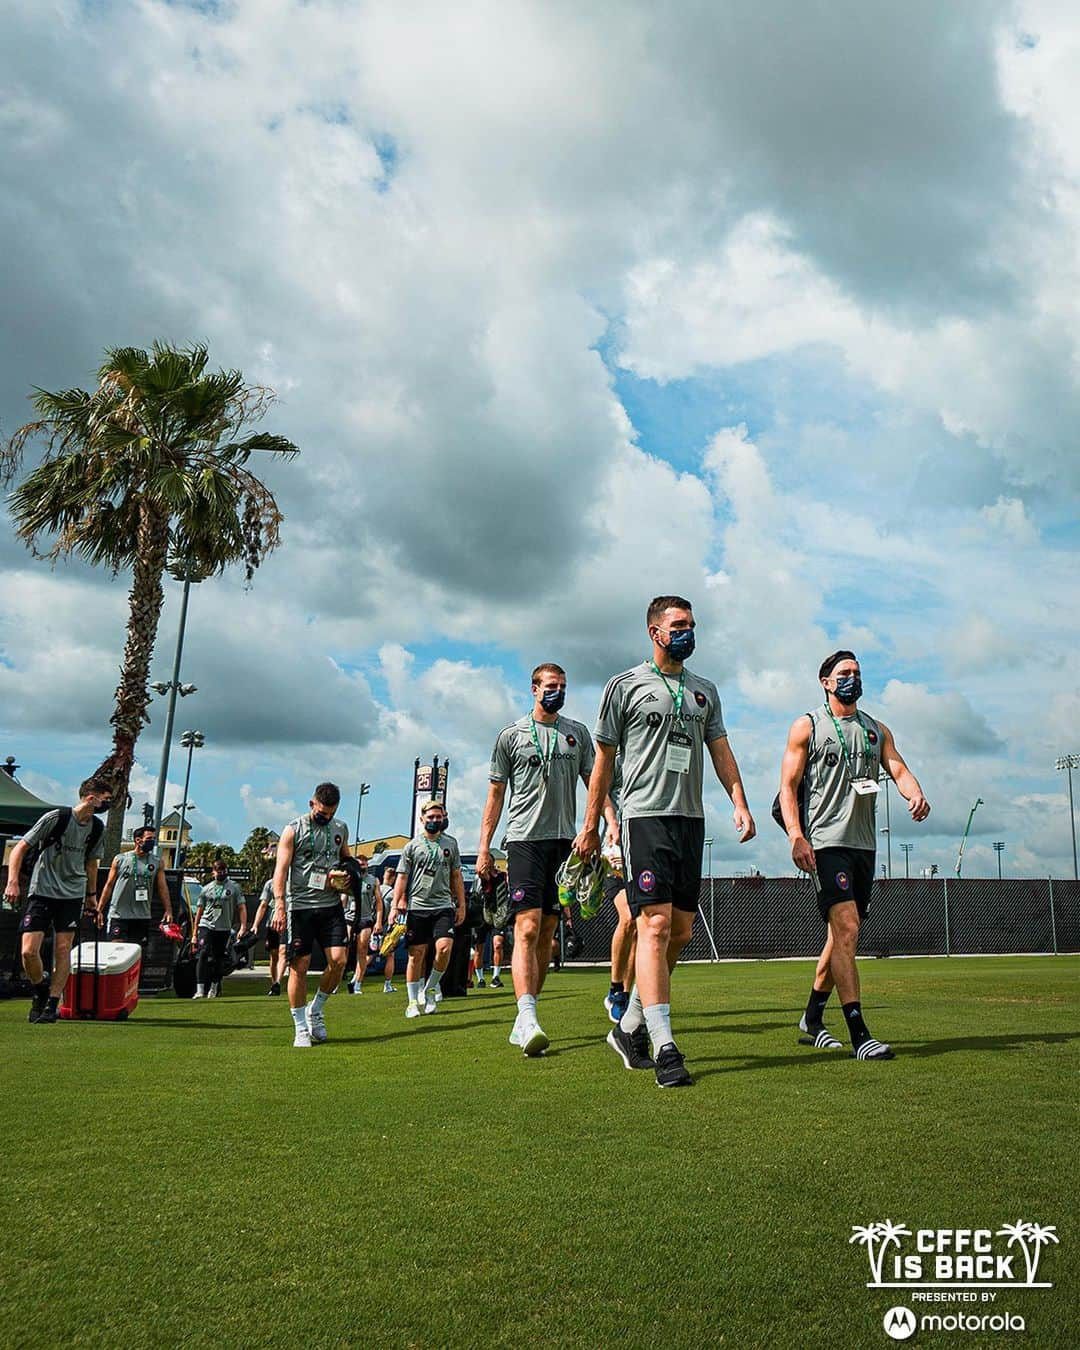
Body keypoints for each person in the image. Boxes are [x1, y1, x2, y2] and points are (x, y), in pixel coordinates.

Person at [574, 596, 755, 1087]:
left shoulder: (704, 691)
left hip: (689, 820)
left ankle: (630, 1026)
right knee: (651, 926)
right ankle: (665, 1044)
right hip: (642, 817)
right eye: (678, 625)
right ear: (654, 631)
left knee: (679, 932)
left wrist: (739, 801)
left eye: (692, 625)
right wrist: (593, 825)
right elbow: (602, 763)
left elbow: (720, 749)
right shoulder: (624, 686)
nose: (687, 632)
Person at [778, 650, 930, 1061]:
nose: (852, 678)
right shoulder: (807, 726)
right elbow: (787, 788)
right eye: (844, 673)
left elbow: (897, 768)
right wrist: (796, 835)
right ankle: (860, 1034)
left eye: (857, 673)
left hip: (864, 845)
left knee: (841, 935)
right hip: (826, 842)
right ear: (826, 682)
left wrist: (913, 791)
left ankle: (812, 1017)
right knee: (846, 928)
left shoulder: (875, 729)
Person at [478, 662, 616, 1056]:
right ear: (534, 689)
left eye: (563, 686)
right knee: (526, 927)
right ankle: (528, 1016)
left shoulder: (577, 734)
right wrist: (485, 846)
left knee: (547, 932)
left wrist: (610, 821)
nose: (558, 691)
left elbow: (595, 782)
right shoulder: (511, 736)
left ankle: (527, 1014)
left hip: (565, 845)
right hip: (523, 841)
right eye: (551, 685)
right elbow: (495, 795)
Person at [3, 776, 112, 1024]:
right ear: (91, 798)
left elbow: (92, 864)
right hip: (42, 890)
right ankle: (40, 989)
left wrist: (92, 898)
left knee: (63, 949)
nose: (108, 804)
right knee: (29, 951)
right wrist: (12, 881)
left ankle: (52, 1004)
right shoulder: (57, 818)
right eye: (106, 799)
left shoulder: (97, 828)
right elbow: (20, 847)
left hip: (72, 894)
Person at [270, 783, 351, 1048]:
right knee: (299, 966)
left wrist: (349, 874)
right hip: (300, 907)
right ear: (311, 804)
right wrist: (279, 905)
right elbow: (280, 871)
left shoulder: (340, 828)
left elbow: (346, 858)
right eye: (321, 812)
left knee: (338, 961)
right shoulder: (293, 830)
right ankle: (300, 1028)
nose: (324, 817)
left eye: (330, 813)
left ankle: (315, 1009)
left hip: (330, 905)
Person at [392, 801, 465, 1019]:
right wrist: (396, 904)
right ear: (422, 819)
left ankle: (431, 987)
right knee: (417, 955)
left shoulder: (451, 844)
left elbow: (456, 876)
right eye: (430, 817)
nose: (434, 820)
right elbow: (402, 877)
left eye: (438, 817)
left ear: (444, 818)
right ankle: (413, 1001)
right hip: (418, 907)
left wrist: (462, 904)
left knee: (444, 949)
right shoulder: (412, 846)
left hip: (443, 905)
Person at [97, 825, 174, 952]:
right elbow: (109, 885)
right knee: (116, 950)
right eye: (149, 838)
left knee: (136, 954)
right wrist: (99, 910)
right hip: (119, 915)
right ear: (138, 840)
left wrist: (168, 910)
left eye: (154, 839)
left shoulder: (157, 861)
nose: (152, 841)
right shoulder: (120, 859)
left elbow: (162, 887)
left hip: (142, 915)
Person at [192, 859, 248, 999]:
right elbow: (199, 911)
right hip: (207, 925)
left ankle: (214, 987)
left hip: (223, 928)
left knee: (218, 958)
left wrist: (243, 926)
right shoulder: (206, 889)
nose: (221, 874)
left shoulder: (234, 887)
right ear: (213, 872)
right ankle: (199, 989)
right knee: (203, 953)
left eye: (224, 872)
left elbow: (241, 907)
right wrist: (194, 933)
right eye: (219, 872)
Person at [344, 855, 377, 993]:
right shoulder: (349, 878)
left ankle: (357, 982)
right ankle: (336, 980)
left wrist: (379, 922)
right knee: (343, 948)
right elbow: (343, 897)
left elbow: (379, 902)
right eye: (359, 864)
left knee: (362, 949)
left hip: (366, 918)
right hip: (350, 917)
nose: (362, 866)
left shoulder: (373, 880)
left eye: (364, 864)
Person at [251, 878, 286, 995]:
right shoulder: (270, 884)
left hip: (289, 924)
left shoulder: (293, 880)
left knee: (283, 952)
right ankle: (274, 983)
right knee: (274, 955)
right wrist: (255, 924)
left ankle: (278, 982)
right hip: (272, 924)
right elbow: (263, 905)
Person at [373, 864, 399, 992]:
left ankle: (356, 980)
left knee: (368, 955)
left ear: (384, 876)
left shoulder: (376, 889)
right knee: (390, 956)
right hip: (386, 928)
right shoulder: (393, 893)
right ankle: (387, 985)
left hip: (373, 926)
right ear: (393, 878)